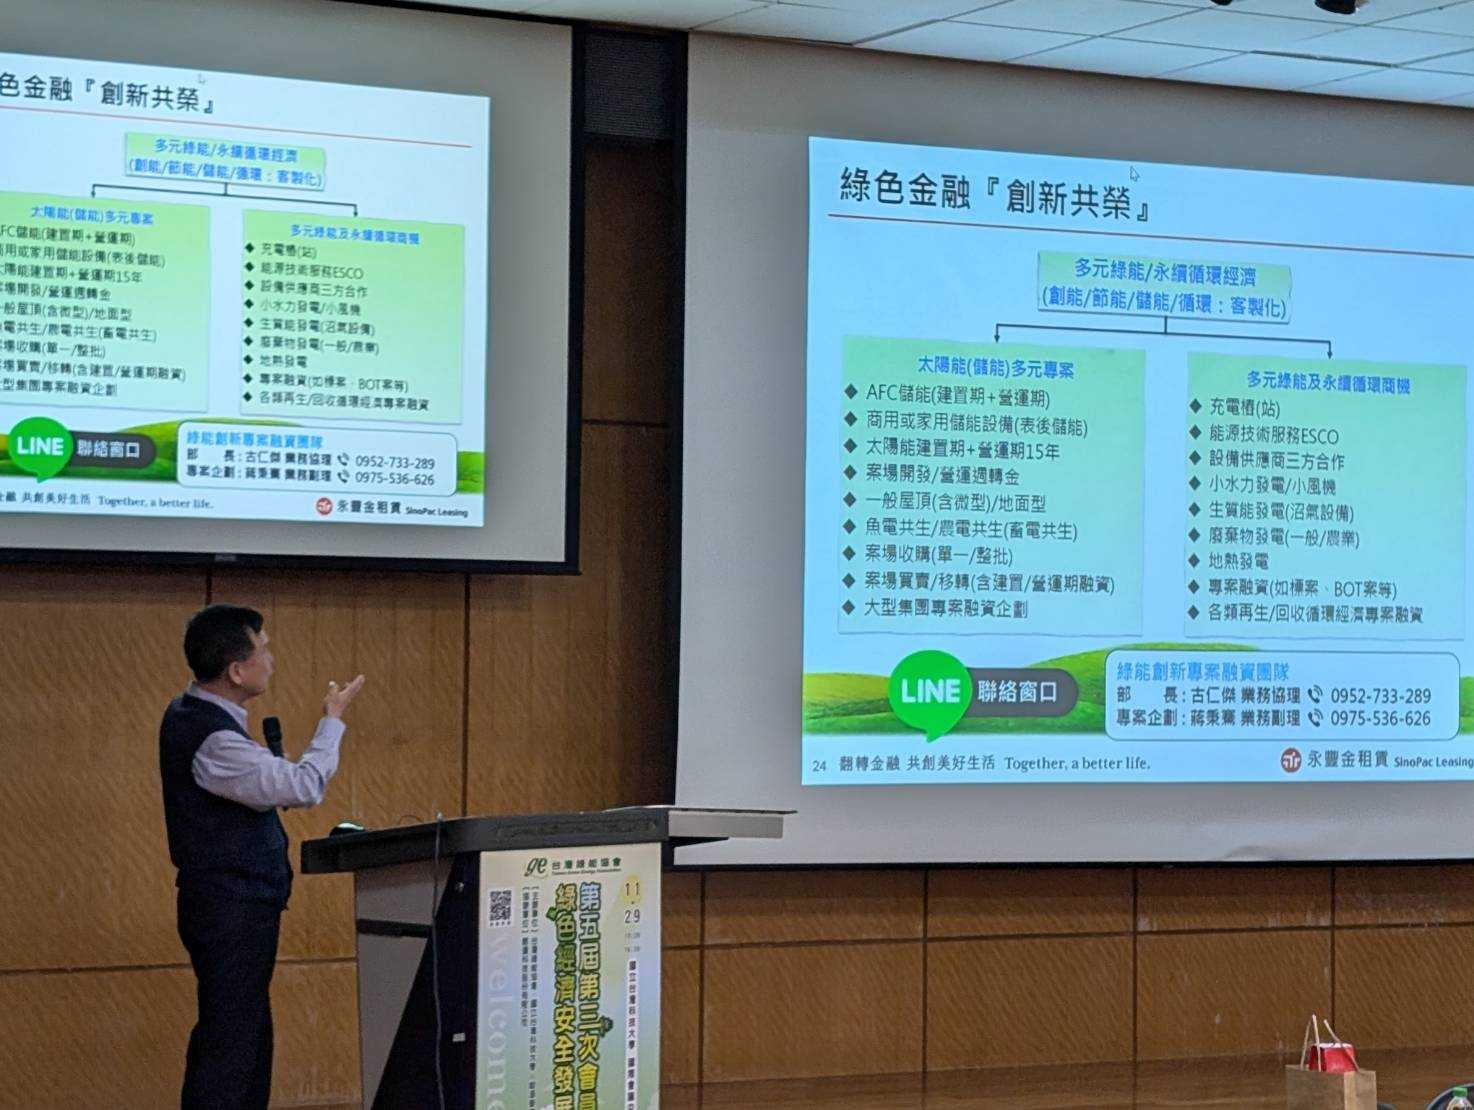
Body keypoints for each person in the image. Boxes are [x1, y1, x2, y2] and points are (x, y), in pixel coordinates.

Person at [158, 603, 365, 1110]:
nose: (271, 660)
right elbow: (304, 785)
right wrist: (332, 720)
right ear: (236, 670)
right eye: (264, 650)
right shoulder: (212, 737)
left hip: (237, 904)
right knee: (229, 1048)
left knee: (245, 1038)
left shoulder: (201, 717)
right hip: (229, 907)